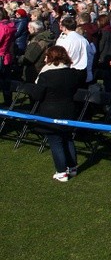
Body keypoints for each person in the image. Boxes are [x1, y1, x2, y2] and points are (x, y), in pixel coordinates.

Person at [35, 46, 82, 182]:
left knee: (56, 141)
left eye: (46, 56)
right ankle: (72, 167)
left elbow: (37, 94)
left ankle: (61, 171)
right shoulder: (73, 73)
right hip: (68, 109)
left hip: (51, 111)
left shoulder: (46, 75)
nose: (44, 59)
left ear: (52, 58)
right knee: (67, 138)